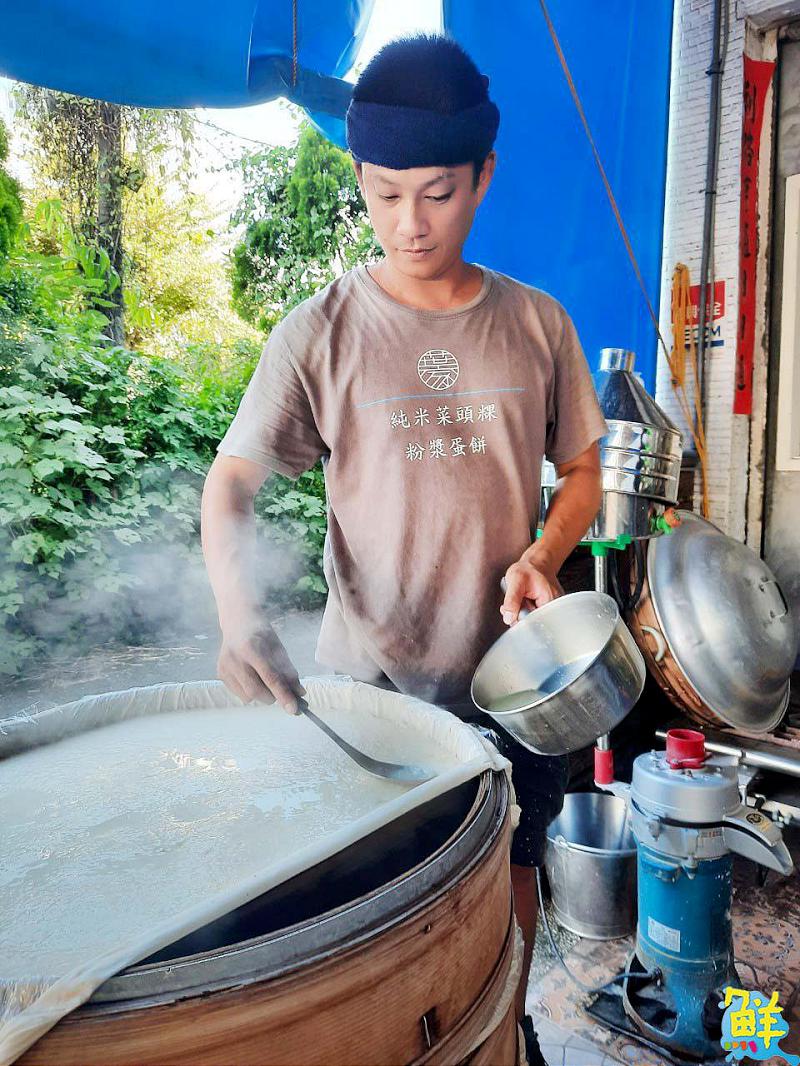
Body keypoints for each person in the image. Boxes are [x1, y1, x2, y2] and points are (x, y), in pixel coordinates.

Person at [202, 33, 605, 1066]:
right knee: (379, 901)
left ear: (482, 177)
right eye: (383, 194)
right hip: (366, 687)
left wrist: (543, 552)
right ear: (360, 181)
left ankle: (505, 1027)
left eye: (435, 193)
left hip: (517, 683)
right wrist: (239, 615)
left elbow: (584, 476)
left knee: (511, 869)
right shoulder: (319, 331)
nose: (408, 224)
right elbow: (232, 481)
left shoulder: (537, 325)